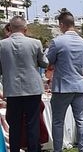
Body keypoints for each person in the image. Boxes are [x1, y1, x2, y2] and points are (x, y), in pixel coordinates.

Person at [0, 16, 48, 152]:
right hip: (32, 88)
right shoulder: (35, 43)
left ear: (10, 28)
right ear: (25, 29)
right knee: (33, 124)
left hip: (12, 90)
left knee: (14, 125)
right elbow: (45, 63)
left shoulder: (2, 44)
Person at [46, 11, 83, 152]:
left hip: (62, 87)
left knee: (58, 121)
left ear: (61, 25)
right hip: (79, 86)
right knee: (81, 120)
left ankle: (58, 150)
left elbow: (48, 61)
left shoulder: (57, 42)